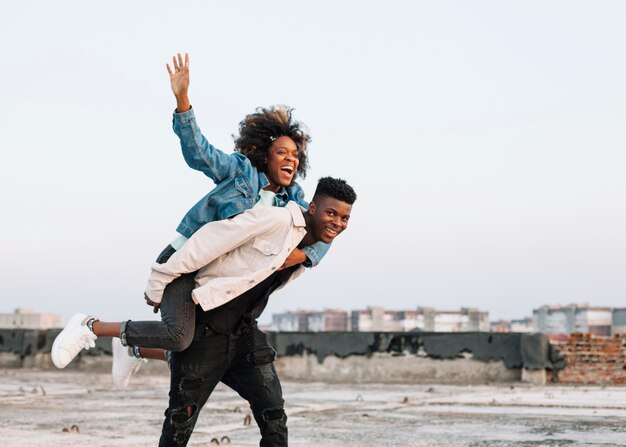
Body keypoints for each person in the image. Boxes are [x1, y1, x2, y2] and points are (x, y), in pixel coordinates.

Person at [51, 53, 329, 380]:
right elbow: (201, 153)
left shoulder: (292, 200)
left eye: (296, 155)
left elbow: (325, 229)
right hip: (184, 259)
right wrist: (183, 101)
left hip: (217, 274)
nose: (291, 159)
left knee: (199, 348)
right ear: (262, 153)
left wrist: (306, 255)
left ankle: (134, 348)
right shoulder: (240, 172)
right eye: (282, 152)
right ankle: (90, 326)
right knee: (180, 336)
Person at [152, 176, 356, 447]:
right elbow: (208, 242)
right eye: (331, 213)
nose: (338, 223)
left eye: (344, 218)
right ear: (312, 208)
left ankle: (146, 351)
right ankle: (135, 345)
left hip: (246, 336)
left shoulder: (312, 244)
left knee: (274, 417)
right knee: (180, 423)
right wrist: (159, 280)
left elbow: (326, 237)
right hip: (204, 330)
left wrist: (307, 256)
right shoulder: (277, 220)